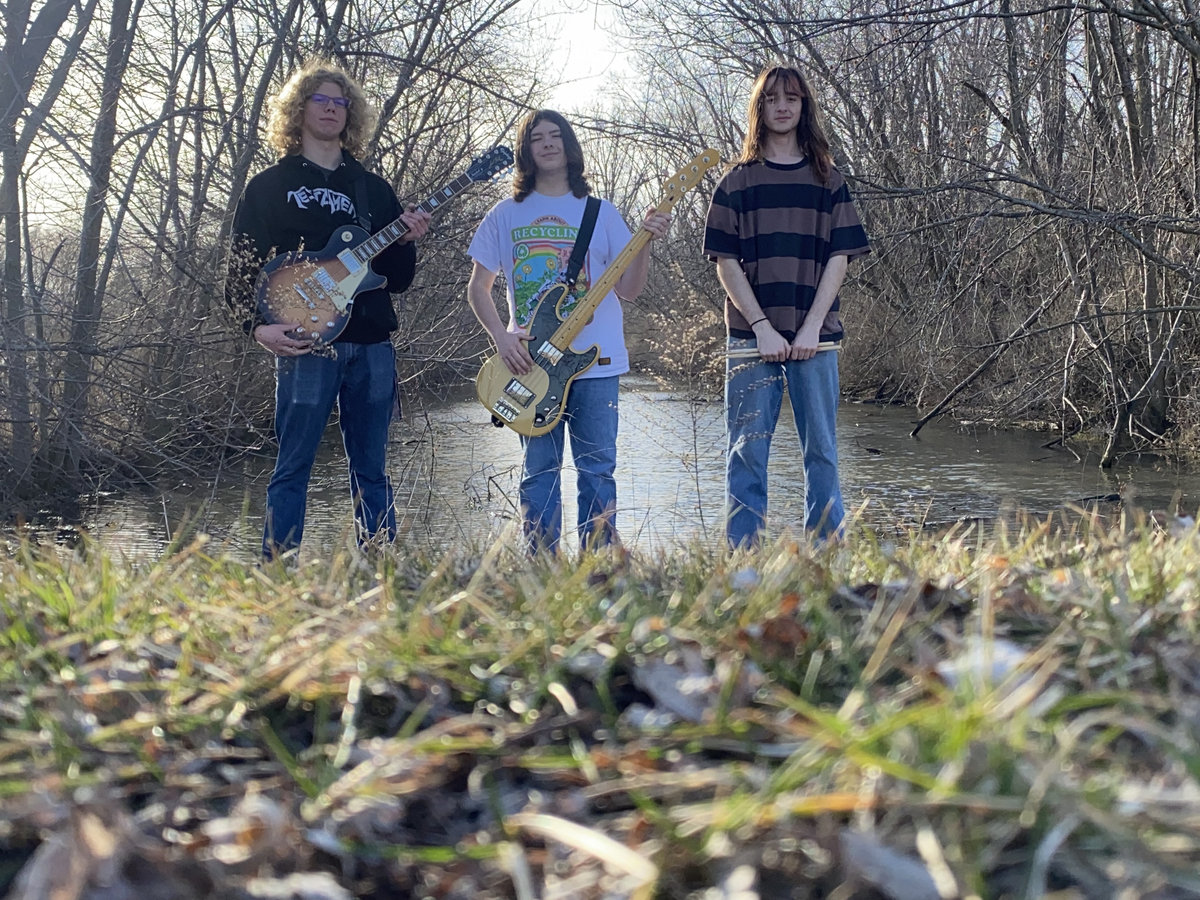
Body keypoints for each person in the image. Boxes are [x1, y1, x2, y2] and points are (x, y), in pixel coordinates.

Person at [225, 59, 431, 559]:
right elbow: (239, 271)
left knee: (372, 470)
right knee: (292, 466)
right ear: (299, 109)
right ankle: (278, 573)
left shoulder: (372, 189)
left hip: (371, 344)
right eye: (321, 99)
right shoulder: (269, 186)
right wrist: (257, 329)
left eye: (340, 102)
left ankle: (383, 571)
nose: (332, 109)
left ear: (350, 114)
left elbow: (398, 281)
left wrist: (407, 242)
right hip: (305, 345)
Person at [466, 109, 671, 553]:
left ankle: (599, 566)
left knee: (597, 469)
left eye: (555, 135)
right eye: (536, 137)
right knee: (538, 471)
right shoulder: (505, 214)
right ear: (526, 151)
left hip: (597, 361)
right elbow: (478, 288)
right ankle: (541, 566)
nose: (547, 143)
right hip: (531, 364)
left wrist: (645, 244)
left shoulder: (601, 212)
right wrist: (501, 337)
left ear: (569, 145)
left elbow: (629, 290)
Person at [703, 64, 870, 548]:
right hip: (750, 338)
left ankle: (827, 556)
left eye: (791, 99)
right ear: (759, 108)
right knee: (746, 453)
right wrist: (761, 326)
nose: (782, 107)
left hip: (816, 337)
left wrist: (812, 326)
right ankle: (744, 561)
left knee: (821, 452)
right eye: (772, 99)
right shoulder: (736, 182)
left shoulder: (828, 180)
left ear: (803, 107)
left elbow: (839, 257)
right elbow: (725, 262)